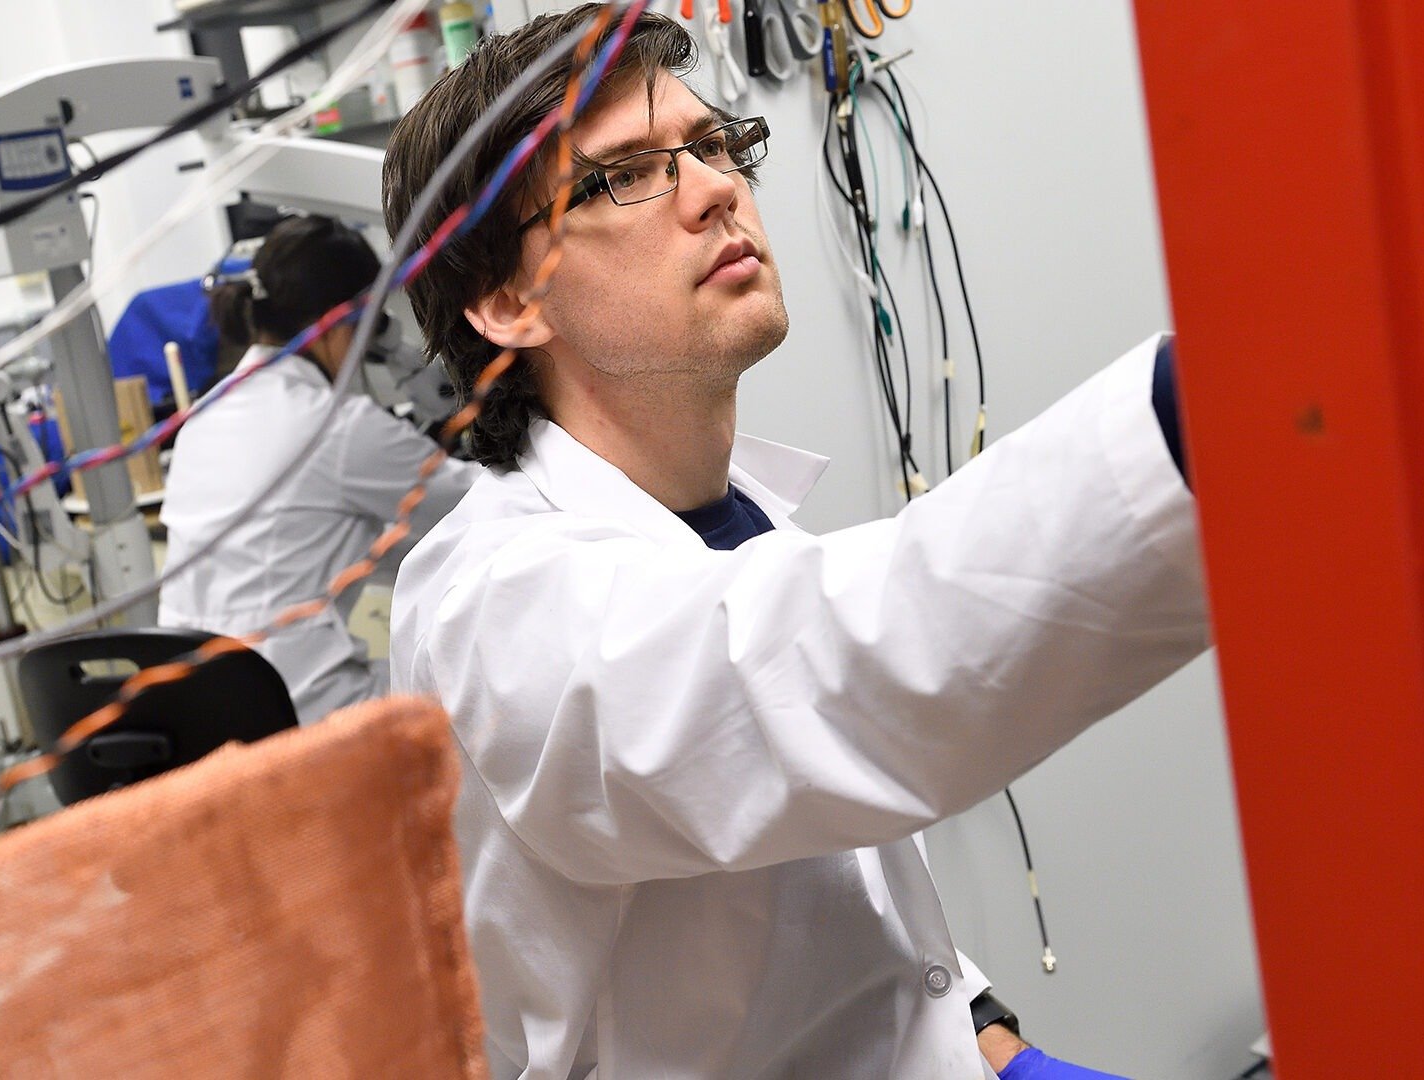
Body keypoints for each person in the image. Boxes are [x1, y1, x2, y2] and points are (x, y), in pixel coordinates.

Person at [381, 7, 1206, 1079]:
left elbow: (812, 867)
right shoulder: (497, 608)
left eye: (714, 146)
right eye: (626, 174)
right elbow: (824, 677)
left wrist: (988, 1034)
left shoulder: (726, 522)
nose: (717, 188)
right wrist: (1210, 404)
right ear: (503, 302)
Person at [159, 215, 479, 724]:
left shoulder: (205, 414)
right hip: (301, 719)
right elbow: (482, 509)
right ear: (347, 320)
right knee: (481, 698)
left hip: (202, 718)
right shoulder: (335, 426)